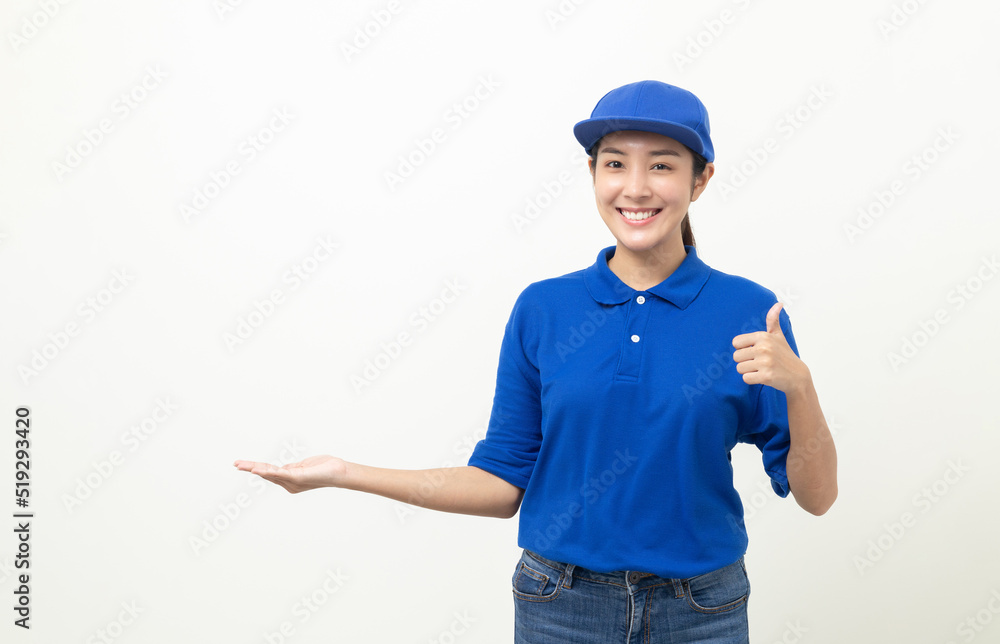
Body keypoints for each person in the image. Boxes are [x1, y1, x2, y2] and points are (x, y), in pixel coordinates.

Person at [235, 80, 837, 643]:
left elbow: (817, 496)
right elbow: (499, 486)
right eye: (615, 163)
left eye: (661, 164)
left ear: (700, 179)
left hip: (703, 610)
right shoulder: (544, 309)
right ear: (594, 175)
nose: (635, 187)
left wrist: (801, 389)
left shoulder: (751, 311)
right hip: (560, 608)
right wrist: (345, 472)